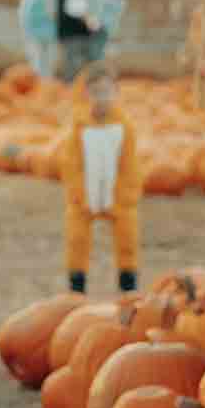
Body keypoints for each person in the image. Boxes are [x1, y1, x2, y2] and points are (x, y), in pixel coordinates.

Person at [60, 61, 140, 294]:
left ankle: (128, 284)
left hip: (117, 195)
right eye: (96, 93)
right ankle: (77, 286)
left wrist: (127, 194)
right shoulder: (79, 126)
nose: (101, 98)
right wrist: (76, 193)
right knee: (77, 239)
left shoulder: (125, 126)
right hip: (85, 195)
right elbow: (71, 163)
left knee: (128, 238)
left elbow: (130, 164)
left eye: (106, 92)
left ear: (116, 93)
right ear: (86, 94)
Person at [56, 0, 107, 81]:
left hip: (82, 32)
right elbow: (73, 6)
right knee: (73, 66)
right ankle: (71, 92)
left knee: (84, 66)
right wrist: (90, 21)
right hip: (71, 33)